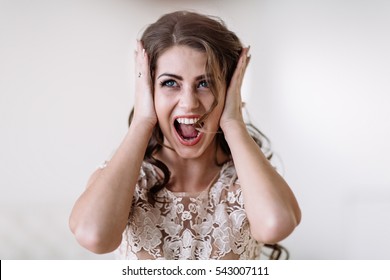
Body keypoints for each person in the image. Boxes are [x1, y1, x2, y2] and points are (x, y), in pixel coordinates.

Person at [69, 10, 301, 260]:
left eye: (205, 83)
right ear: (148, 90)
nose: (189, 104)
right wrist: (142, 120)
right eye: (170, 83)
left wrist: (233, 121)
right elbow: (93, 236)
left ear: (230, 89)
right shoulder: (129, 178)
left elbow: (276, 225)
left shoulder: (246, 178)